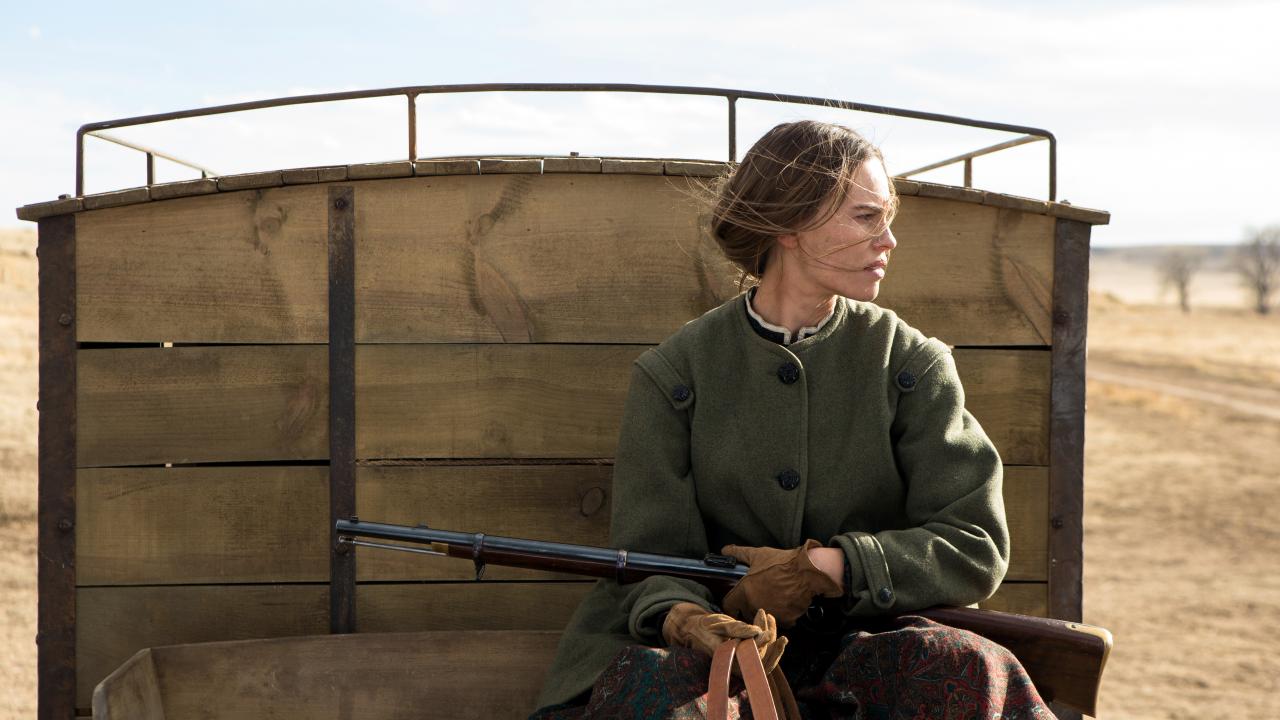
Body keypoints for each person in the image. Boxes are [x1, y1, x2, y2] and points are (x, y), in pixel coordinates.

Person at [528, 120, 1052, 719]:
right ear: (789, 222)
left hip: (865, 644)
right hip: (716, 652)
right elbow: (649, 557)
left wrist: (829, 567)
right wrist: (692, 617)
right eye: (865, 216)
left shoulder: (907, 364)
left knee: (966, 667)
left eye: (887, 218)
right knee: (646, 696)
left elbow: (973, 544)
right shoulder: (676, 374)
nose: (889, 240)